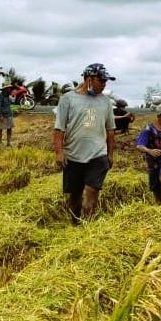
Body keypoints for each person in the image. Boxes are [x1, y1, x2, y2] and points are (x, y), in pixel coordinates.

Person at [53, 63, 116, 223]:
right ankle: (75, 224)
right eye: (100, 81)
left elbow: (110, 130)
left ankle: (88, 228)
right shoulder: (68, 99)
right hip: (73, 155)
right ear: (89, 79)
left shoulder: (106, 102)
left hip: (98, 155)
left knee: (91, 191)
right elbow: (59, 129)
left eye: (105, 82)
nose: (104, 85)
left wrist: (110, 154)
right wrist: (59, 153)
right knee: (75, 195)